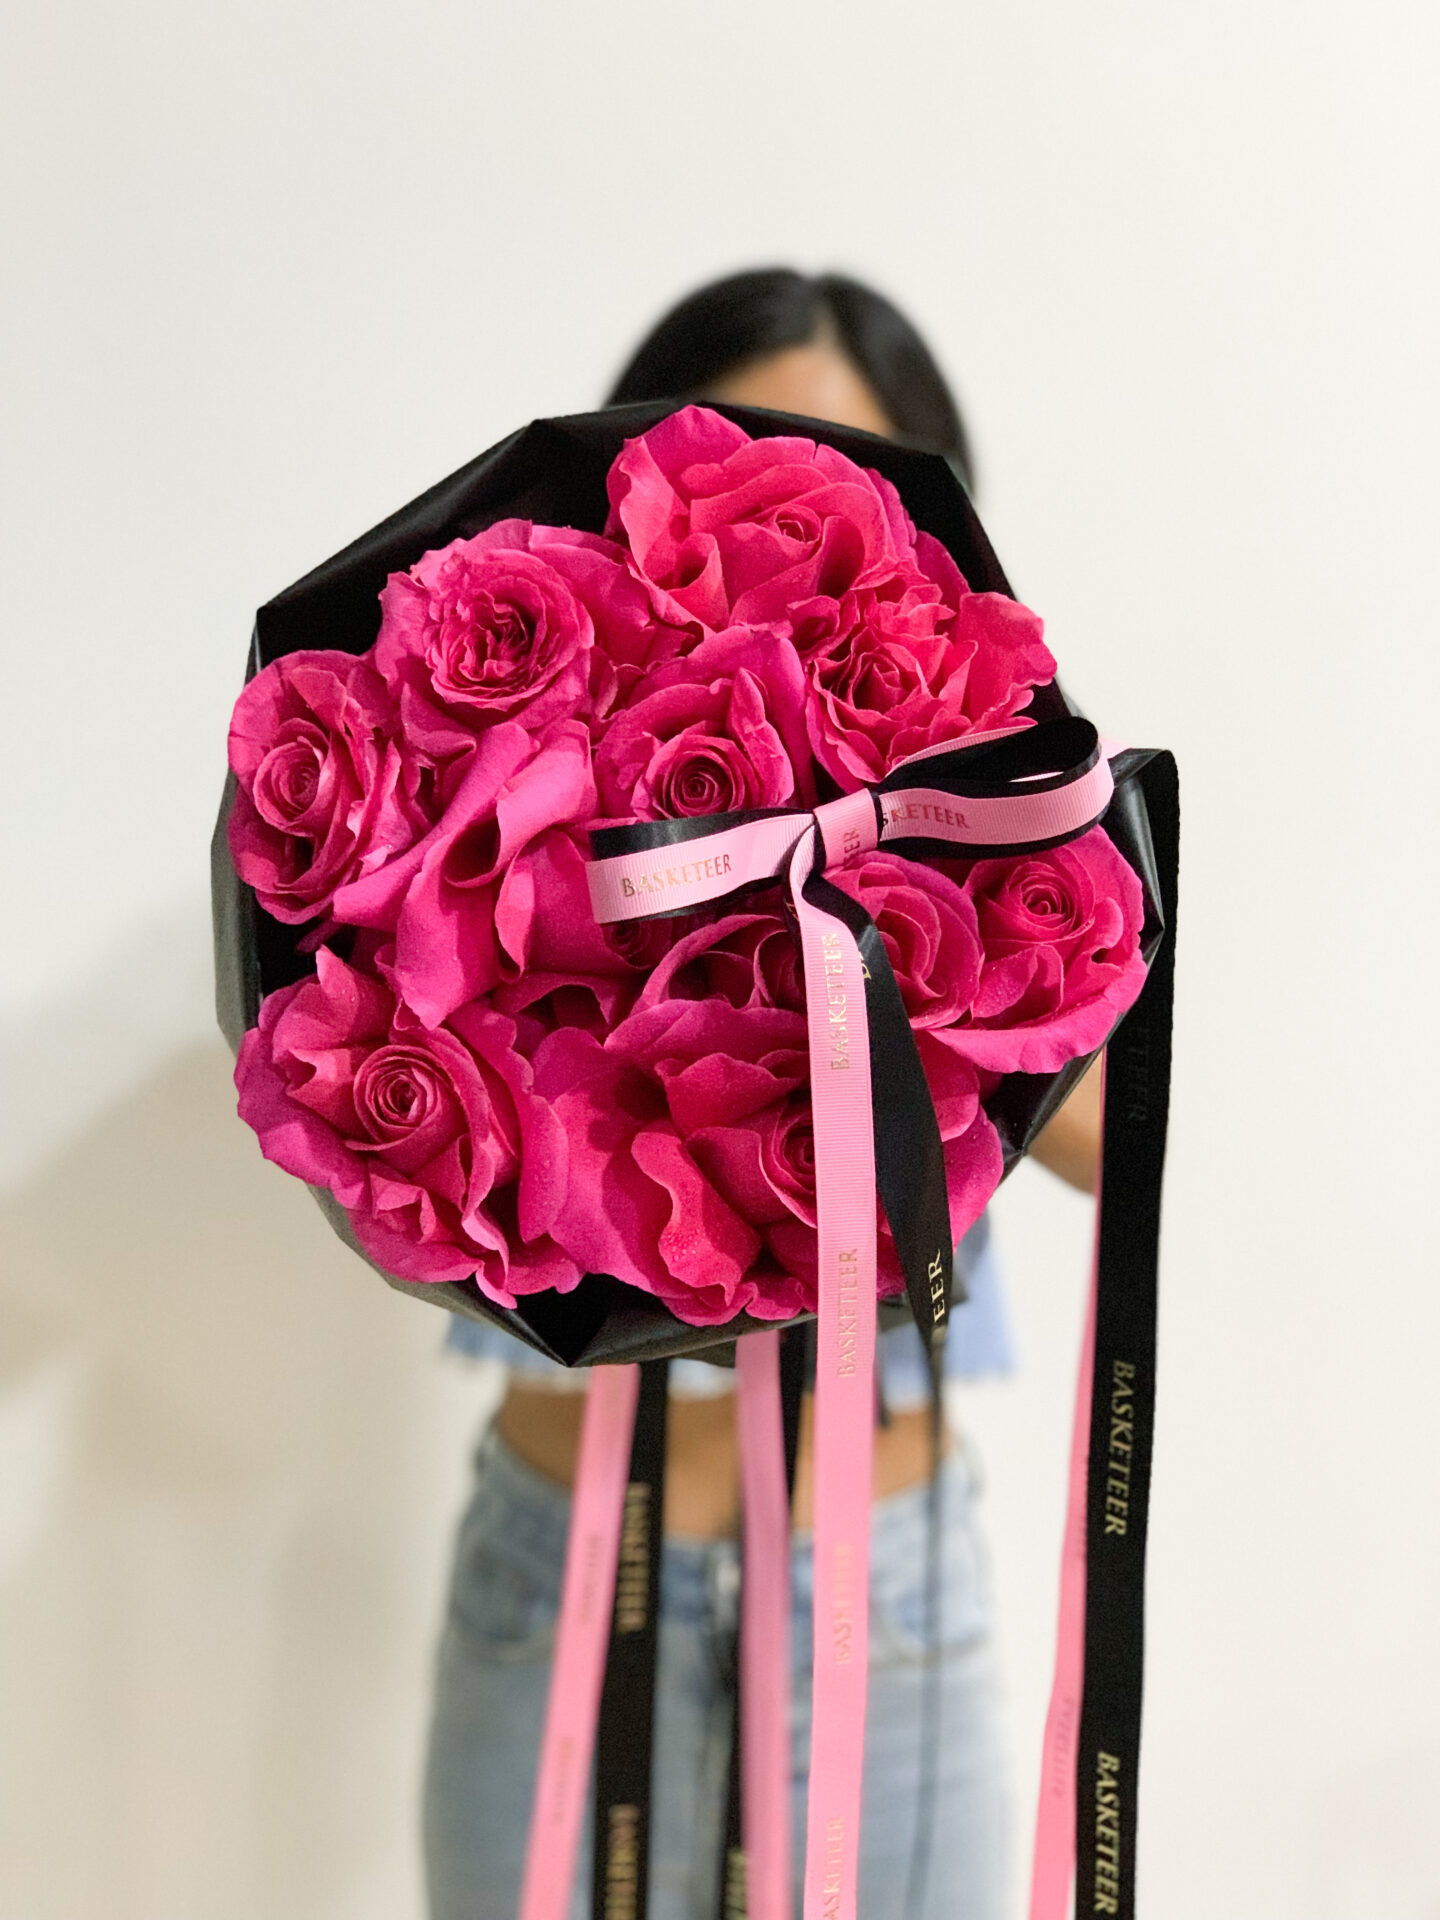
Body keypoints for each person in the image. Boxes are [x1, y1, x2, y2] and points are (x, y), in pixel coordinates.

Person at [422, 268, 1101, 1920]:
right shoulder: (521, 749)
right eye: (741, 456)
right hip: (569, 1553)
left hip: (886, 1582)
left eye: (848, 474)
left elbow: (1102, 1137)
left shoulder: (993, 786)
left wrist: (889, 889)